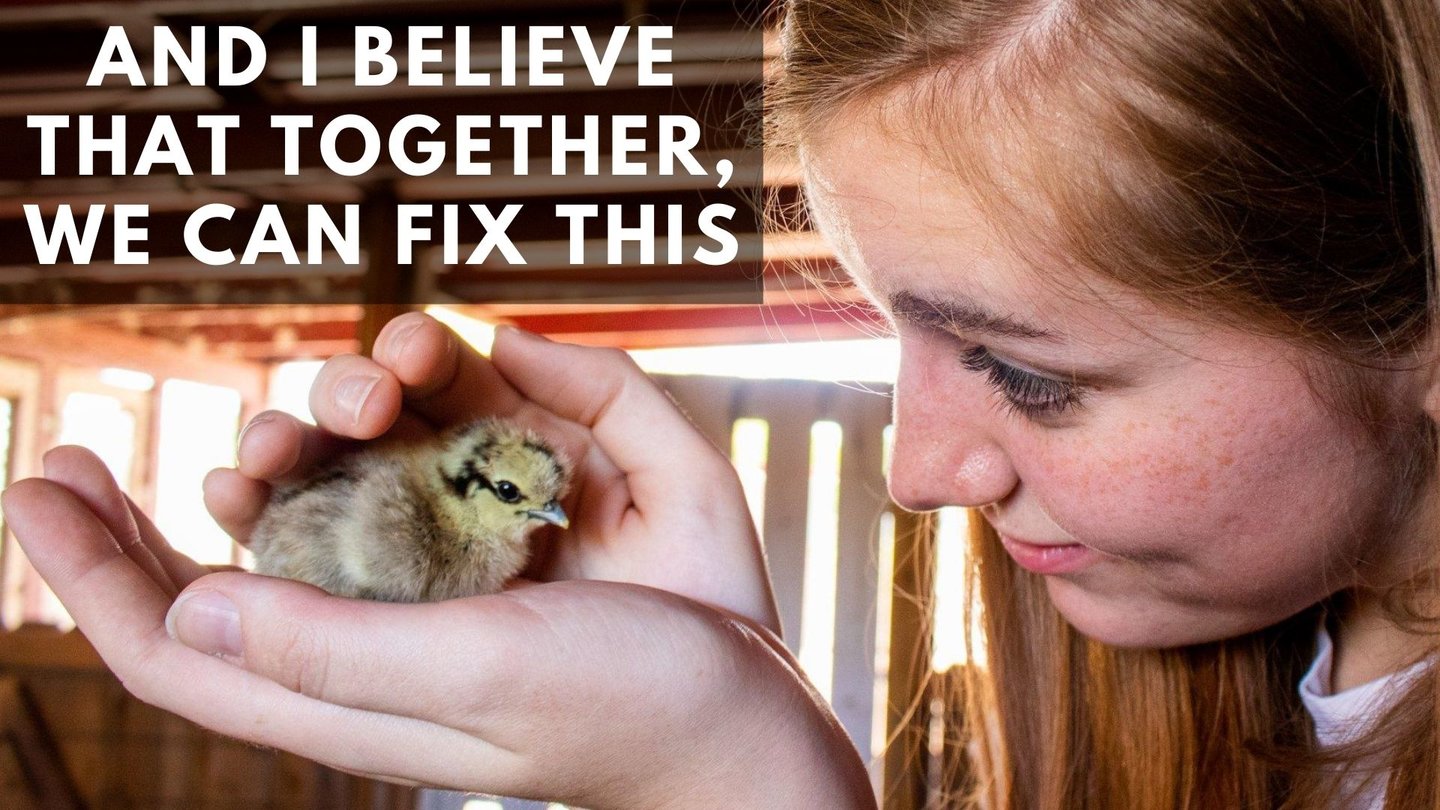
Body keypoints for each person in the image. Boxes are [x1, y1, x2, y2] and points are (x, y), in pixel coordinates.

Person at [4, 0, 1440, 807]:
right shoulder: (1198, 704)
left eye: (1029, 373)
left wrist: (739, 772)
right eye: (901, 334)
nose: (921, 471)